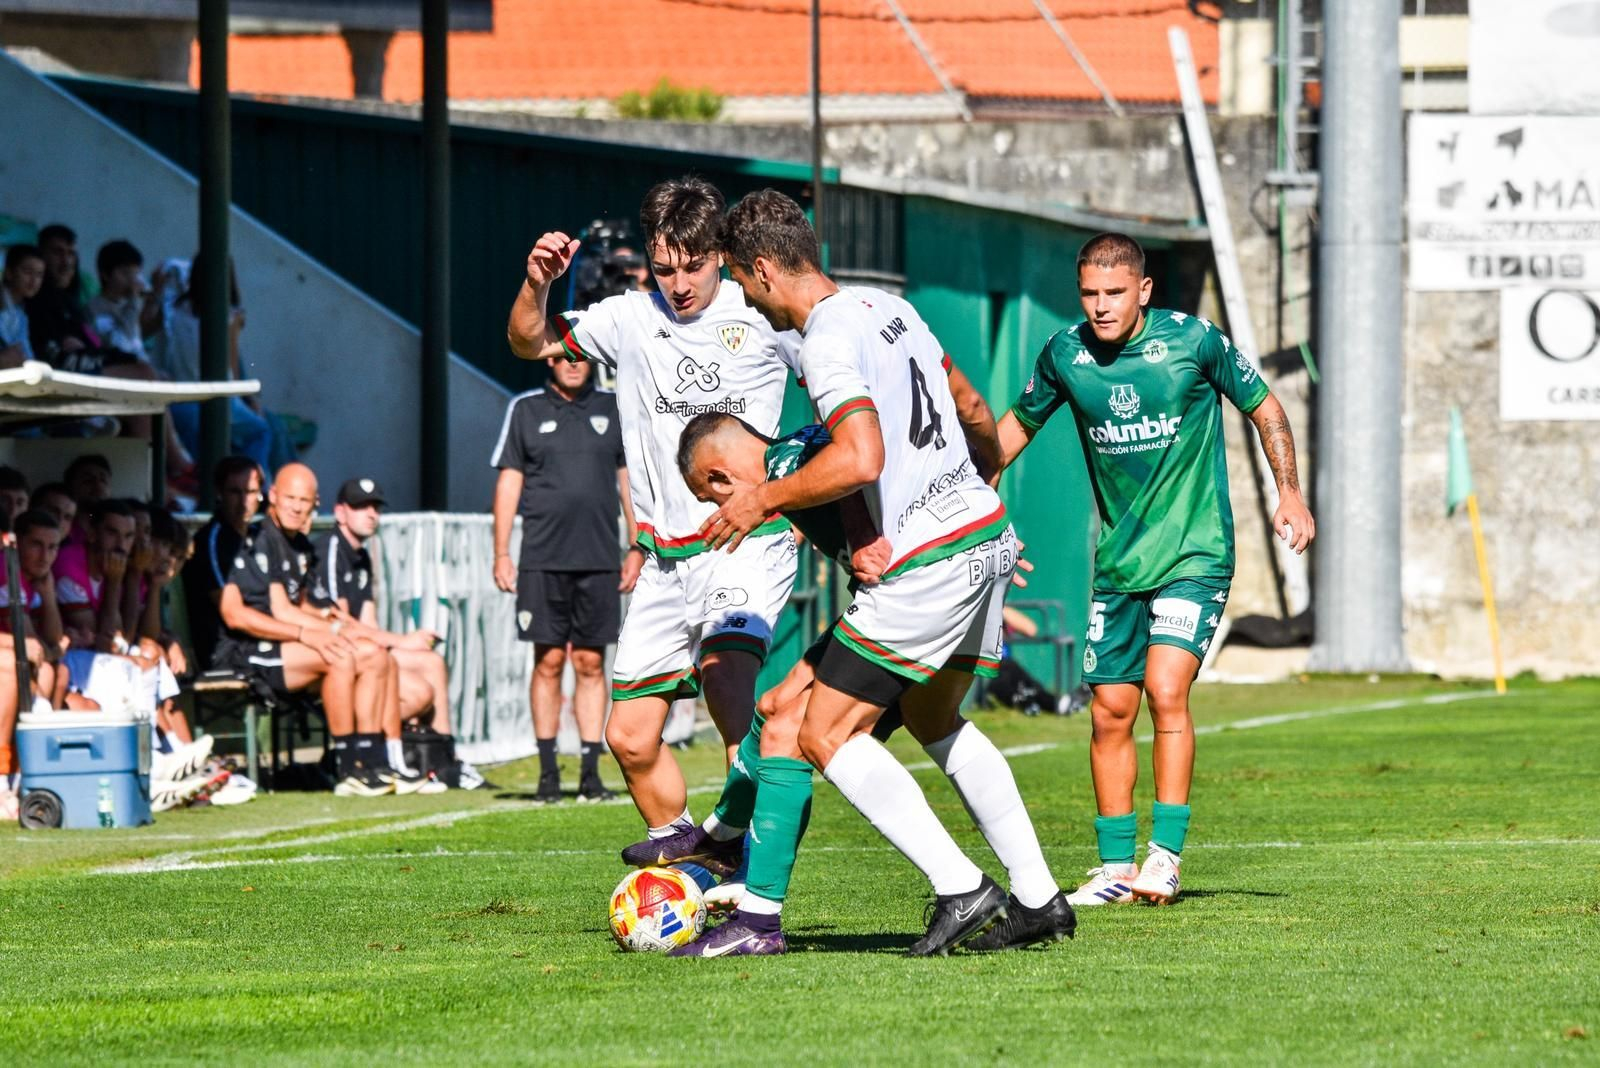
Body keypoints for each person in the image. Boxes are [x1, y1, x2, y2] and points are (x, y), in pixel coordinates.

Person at [665, 189, 1071, 958]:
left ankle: (961, 888)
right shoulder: (891, 307)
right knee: (933, 719)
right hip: (982, 539)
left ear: (762, 269)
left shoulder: (824, 340)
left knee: (821, 731)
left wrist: (763, 499)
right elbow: (970, 402)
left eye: (747, 289)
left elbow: (860, 459)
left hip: (930, 562)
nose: (753, 304)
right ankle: (1039, 896)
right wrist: (974, 480)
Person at [994, 231, 1315, 907]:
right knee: (1111, 708)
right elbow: (1011, 434)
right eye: (1090, 293)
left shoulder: (1195, 342)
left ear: (1143, 290)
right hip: (1119, 563)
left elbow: (1266, 408)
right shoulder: (1065, 354)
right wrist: (976, 516)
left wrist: (1289, 490)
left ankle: (1163, 858)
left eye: (1115, 293)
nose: (1102, 306)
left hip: (1195, 553)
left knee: (1167, 688)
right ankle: (1114, 871)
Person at [505, 176, 801, 853]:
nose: (678, 283)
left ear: (719, 254)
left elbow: (847, 381)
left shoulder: (759, 314)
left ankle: (751, 880)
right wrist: (536, 284)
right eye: (664, 268)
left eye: (692, 265)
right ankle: (689, 848)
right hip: (665, 563)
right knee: (628, 738)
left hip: (743, 542)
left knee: (729, 687)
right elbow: (529, 344)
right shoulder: (626, 318)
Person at [215, 463, 421, 796]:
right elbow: (275, 611)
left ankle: (372, 760)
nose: (296, 507)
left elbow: (305, 609)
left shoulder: (300, 545)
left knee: (373, 655)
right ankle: (346, 765)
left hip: (286, 647)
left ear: (315, 503)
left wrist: (337, 626)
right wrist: (324, 634)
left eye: (304, 500)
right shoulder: (259, 538)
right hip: (250, 651)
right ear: (274, 497)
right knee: (338, 655)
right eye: (290, 498)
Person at [491, 354, 635, 803]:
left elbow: (629, 480)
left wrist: (636, 545)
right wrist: (501, 552)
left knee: (591, 664)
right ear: (548, 360)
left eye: (581, 356)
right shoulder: (525, 409)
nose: (572, 363)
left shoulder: (614, 407)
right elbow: (509, 483)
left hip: (598, 559)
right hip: (541, 558)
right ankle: (548, 772)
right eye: (562, 355)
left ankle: (591, 773)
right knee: (549, 660)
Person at [313, 477, 480, 790]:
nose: (371, 513)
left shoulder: (361, 555)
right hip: (338, 652)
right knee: (416, 692)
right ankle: (374, 756)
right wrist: (403, 641)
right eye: (361, 506)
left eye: (375, 506)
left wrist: (406, 644)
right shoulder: (332, 549)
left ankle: (442, 759)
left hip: (361, 649)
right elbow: (341, 625)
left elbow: (369, 624)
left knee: (430, 661)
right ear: (340, 512)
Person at [183, 456, 262, 672]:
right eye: (235, 492)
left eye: (251, 492)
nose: (244, 501)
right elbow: (234, 615)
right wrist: (299, 632)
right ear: (219, 492)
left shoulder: (260, 536)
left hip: (263, 644)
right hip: (227, 653)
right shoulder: (211, 540)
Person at [86, 239, 165, 359]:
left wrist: (155, 296)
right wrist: (134, 299)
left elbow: (140, 334)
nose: (132, 280)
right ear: (105, 275)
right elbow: (122, 342)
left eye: (136, 274)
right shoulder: (95, 308)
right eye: (125, 273)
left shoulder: (128, 304)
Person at [1, 244, 45, 367]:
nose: (34, 280)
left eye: (39, 274)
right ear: (9, 272)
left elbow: (26, 356)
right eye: (27, 272)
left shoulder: (21, 313)